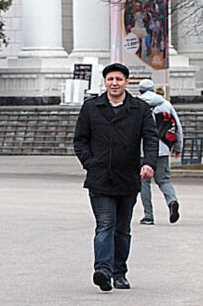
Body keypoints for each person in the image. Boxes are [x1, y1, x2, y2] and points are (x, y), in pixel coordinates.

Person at [73, 63, 157, 291]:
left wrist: (149, 163)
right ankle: (103, 270)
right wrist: (90, 163)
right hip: (99, 178)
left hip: (128, 178)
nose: (115, 83)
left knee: (122, 229)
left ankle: (120, 272)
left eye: (119, 79)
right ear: (105, 82)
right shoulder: (91, 107)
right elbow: (79, 140)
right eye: (110, 79)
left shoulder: (139, 109)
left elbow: (150, 138)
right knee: (105, 224)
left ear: (126, 82)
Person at [136, 79, 183, 225]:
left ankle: (148, 216)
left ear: (140, 91)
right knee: (164, 180)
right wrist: (178, 147)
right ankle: (172, 201)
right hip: (162, 149)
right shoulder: (165, 104)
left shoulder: (136, 106)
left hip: (142, 150)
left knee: (144, 183)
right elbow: (177, 127)